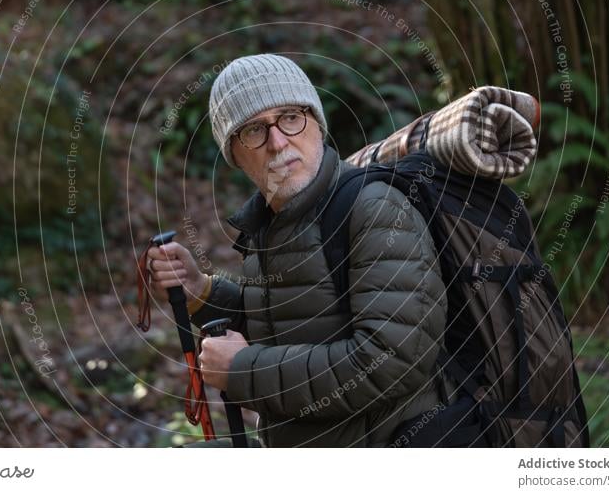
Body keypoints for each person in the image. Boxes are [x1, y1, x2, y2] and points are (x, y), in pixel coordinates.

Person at [147, 53, 448, 447]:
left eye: (290, 117)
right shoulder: (270, 225)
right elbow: (292, 321)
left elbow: (391, 361)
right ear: (234, 154)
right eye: (253, 129)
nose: (277, 142)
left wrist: (242, 371)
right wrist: (201, 292)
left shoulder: (373, 209)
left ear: (317, 124)